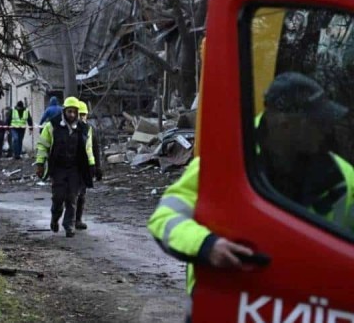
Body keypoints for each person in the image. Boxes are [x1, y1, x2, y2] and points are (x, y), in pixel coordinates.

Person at [147, 72, 354, 318]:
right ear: (283, 124)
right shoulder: (223, 164)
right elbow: (165, 218)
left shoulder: (343, 178)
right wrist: (206, 245)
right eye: (316, 123)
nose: (324, 131)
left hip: (304, 306)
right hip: (227, 303)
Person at [35, 97, 97, 237]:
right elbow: (43, 145)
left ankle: (69, 225)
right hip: (58, 168)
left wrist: (92, 165)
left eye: (75, 112)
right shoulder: (52, 125)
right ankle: (55, 217)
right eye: (70, 112)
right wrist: (40, 163)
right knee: (58, 197)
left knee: (72, 197)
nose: (73, 115)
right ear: (64, 111)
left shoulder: (84, 128)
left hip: (75, 168)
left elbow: (88, 149)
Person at [75, 100, 102, 230]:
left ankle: (77, 219)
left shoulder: (90, 129)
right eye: (79, 114)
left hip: (84, 166)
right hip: (71, 166)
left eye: (83, 114)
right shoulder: (68, 129)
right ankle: (68, 218)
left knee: (81, 193)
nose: (81, 117)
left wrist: (97, 167)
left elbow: (95, 148)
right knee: (70, 194)